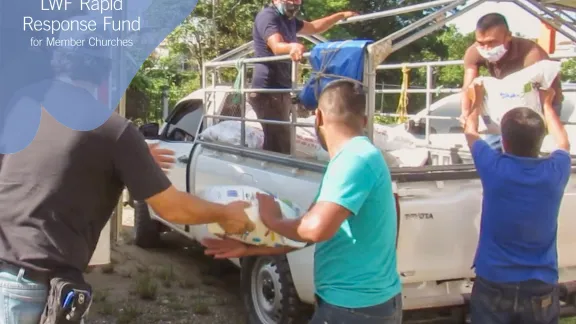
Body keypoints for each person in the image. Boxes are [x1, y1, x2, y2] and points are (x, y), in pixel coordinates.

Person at [0, 34, 253, 324]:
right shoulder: (114, 131)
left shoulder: (23, 103)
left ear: (59, 62)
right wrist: (226, 213)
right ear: (106, 71)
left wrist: (134, 160)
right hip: (32, 289)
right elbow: (172, 209)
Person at [202, 80, 402, 323]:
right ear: (365, 120)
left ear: (318, 117)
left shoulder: (354, 160)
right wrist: (249, 250)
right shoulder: (356, 158)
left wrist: (271, 219)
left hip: (353, 309)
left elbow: (313, 229)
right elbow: (304, 233)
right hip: (359, 305)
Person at [464, 82, 571, 324]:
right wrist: (547, 104)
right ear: (541, 140)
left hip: (494, 281)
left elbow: (470, 131)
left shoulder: (494, 168)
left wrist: (477, 99)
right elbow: (563, 142)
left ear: (503, 140)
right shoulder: (556, 171)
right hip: (540, 283)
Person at [249, 0, 357, 154]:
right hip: (268, 90)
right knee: (280, 142)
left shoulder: (290, 20)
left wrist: (339, 16)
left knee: (277, 139)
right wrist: (291, 46)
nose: (294, 3)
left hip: (280, 89)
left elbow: (314, 27)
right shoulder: (268, 16)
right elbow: (276, 46)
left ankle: (272, 170)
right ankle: (277, 174)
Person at [461, 13, 563, 149]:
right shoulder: (474, 52)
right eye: (481, 43)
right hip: (505, 98)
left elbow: (544, 93)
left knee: (527, 148)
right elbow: (468, 86)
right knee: (493, 148)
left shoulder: (532, 54)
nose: (486, 49)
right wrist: (465, 112)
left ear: (508, 36)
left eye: (492, 42)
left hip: (543, 100)